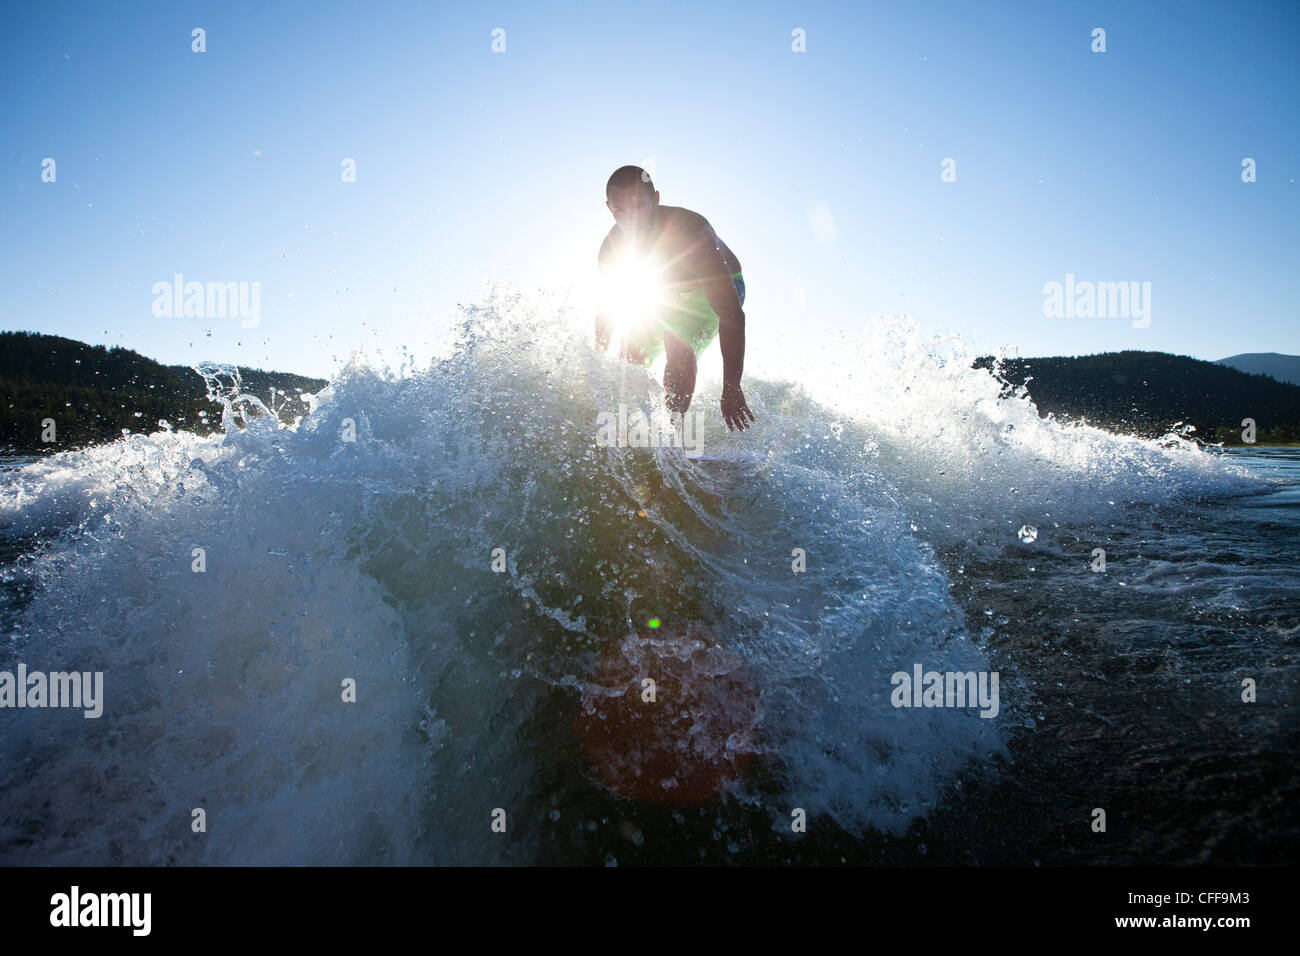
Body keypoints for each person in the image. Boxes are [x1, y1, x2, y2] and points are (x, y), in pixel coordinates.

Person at [595, 166, 755, 431]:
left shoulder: (690, 229)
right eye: (620, 211)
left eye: (638, 207)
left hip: (718, 288)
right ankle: (631, 432)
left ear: (656, 199)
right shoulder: (610, 249)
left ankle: (675, 435)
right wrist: (597, 365)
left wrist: (731, 387)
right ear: (609, 208)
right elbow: (606, 311)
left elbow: (732, 315)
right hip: (666, 293)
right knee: (628, 355)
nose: (630, 220)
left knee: (676, 342)